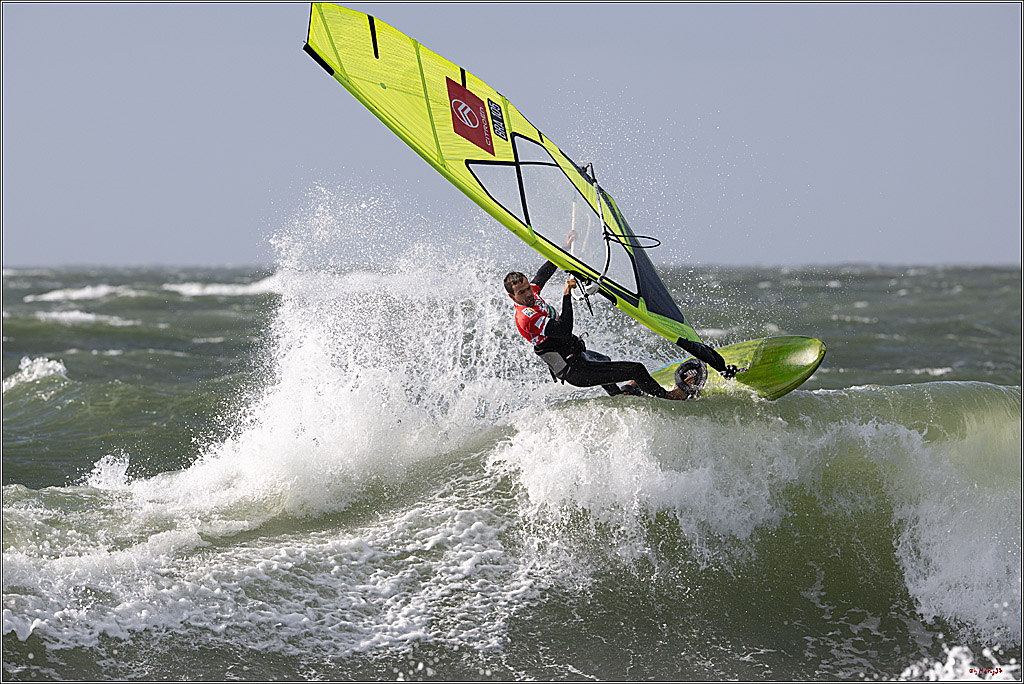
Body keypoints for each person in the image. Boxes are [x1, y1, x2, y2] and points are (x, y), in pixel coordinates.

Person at [504, 256, 693, 400]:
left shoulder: (531, 294)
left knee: (605, 361)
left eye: (528, 288)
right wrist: (567, 294)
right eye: (522, 292)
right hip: (574, 369)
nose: (529, 293)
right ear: (513, 297)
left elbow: (542, 275)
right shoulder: (526, 318)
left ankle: (620, 397)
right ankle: (670, 398)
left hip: (577, 356)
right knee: (637, 369)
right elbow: (564, 330)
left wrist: (562, 249)